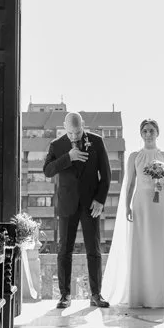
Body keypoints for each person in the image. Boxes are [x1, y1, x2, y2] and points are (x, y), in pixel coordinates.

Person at [101, 118, 164, 310]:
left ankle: (160, 296)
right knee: (141, 246)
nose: (148, 134)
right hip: (140, 205)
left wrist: (161, 184)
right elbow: (130, 184)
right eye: (145, 131)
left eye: (151, 130)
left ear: (158, 133)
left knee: (159, 245)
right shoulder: (134, 157)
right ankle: (141, 295)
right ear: (141, 134)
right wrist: (126, 207)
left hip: (160, 205)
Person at [43, 111, 112, 309]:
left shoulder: (97, 142)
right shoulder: (57, 146)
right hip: (67, 204)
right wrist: (68, 157)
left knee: (94, 249)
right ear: (65, 128)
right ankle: (65, 296)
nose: (74, 136)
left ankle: (96, 294)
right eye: (71, 133)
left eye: (78, 132)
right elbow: (47, 171)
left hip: (91, 205)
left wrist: (100, 200)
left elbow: (106, 175)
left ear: (83, 125)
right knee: (64, 250)